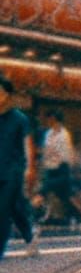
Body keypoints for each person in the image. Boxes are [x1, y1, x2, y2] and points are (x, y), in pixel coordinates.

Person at [0, 76, 38, 258]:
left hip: (13, 172)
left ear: (8, 95)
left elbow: (28, 144)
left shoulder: (20, 119)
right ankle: (30, 237)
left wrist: (30, 167)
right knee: (14, 208)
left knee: (3, 211)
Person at [38, 108, 81, 233]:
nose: (47, 121)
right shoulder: (49, 134)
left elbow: (65, 156)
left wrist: (52, 154)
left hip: (61, 169)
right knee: (67, 196)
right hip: (50, 169)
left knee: (43, 191)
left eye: (50, 119)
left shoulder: (64, 135)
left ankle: (34, 218)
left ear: (55, 119)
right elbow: (46, 151)